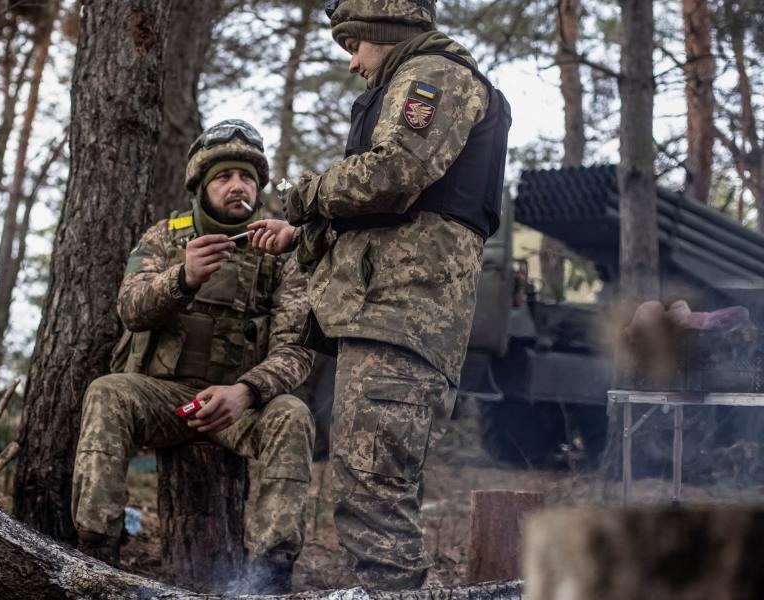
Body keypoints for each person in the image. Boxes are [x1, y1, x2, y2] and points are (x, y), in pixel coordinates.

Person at [248, 0, 511, 590]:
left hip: (403, 315)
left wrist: (302, 196)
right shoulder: (421, 79)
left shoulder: (434, 76)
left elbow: (394, 173)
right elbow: (401, 205)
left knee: (371, 490)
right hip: (392, 314)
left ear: (383, 32)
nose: (352, 63)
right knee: (374, 485)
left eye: (354, 46)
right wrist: (306, 232)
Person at [71, 119, 315, 594]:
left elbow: (297, 349)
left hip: (237, 407)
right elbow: (130, 309)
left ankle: (270, 577)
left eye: (247, 176)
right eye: (224, 176)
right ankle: (96, 558)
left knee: (293, 415)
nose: (237, 186)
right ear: (203, 186)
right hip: (165, 399)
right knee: (106, 393)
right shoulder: (167, 237)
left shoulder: (279, 251)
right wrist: (181, 278)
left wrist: (246, 393)